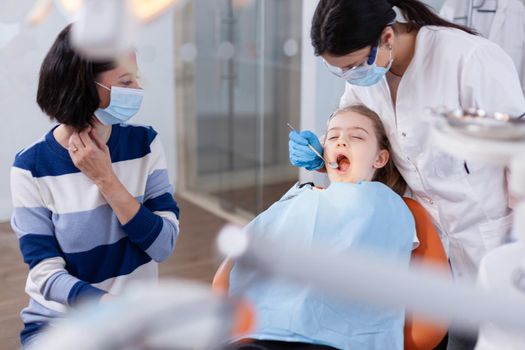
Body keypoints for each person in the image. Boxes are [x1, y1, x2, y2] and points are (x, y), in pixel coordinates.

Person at [289, 2, 525, 348]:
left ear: (387, 36)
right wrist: (322, 153)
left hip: (494, 239)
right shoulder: (366, 78)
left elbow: (518, 155)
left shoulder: (469, 60)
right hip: (433, 244)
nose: (351, 76)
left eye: (354, 65)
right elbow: (355, 130)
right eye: (340, 71)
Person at [10, 24, 180, 348]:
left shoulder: (145, 144)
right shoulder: (30, 167)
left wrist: (106, 179)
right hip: (61, 326)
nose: (138, 89)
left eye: (137, 79)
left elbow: (163, 245)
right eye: (126, 82)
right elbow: (45, 275)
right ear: (84, 87)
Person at [226, 105, 417, 350]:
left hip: (340, 339)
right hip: (267, 329)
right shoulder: (300, 196)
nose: (341, 142)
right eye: (333, 136)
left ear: (380, 158)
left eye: (357, 136)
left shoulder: (388, 204)